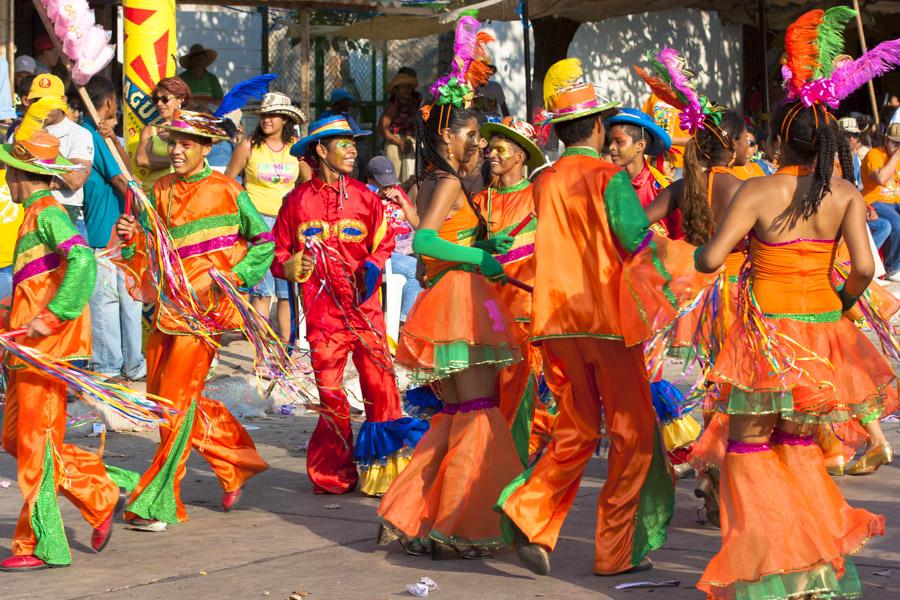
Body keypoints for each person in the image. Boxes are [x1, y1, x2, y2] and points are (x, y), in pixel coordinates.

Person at [497, 57, 706, 577]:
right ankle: (615, 551)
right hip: (608, 325)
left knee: (577, 428)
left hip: (559, 323)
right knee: (633, 434)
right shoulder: (608, 177)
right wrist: (688, 259)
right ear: (595, 126)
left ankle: (528, 511)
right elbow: (636, 241)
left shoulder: (543, 182)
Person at [693, 98, 889, 600]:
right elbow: (865, 268)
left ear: (780, 142)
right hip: (821, 335)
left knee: (748, 451)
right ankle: (811, 572)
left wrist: (703, 246)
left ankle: (770, 571)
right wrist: (841, 306)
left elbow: (712, 258)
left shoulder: (759, 190)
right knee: (798, 450)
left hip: (767, 338)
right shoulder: (844, 192)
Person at [378, 18, 523, 558]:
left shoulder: (448, 183)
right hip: (462, 311)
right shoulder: (446, 182)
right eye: (471, 134)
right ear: (445, 136)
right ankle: (459, 524)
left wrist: (492, 243)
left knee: (459, 415)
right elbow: (424, 245)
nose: (479, 143)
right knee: (480, 412)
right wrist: (481, 256)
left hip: (457, 307)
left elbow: (434, 254)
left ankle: (409, 515)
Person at [114, 110, 272, 531]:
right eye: (174, 142)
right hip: (166, 311)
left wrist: (233, 278)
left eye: (187, 143)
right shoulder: (159, 188)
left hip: (205, 316)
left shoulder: (228, 189)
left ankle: (160, 501)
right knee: (165, 399)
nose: (177, 150)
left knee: (175, 405)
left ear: (206, 149)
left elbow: (264, 243)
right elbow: (149, 251)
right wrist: (131, 239)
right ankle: (236, 460)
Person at [271, 115, 426, 496]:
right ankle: (334, 472)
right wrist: (289, 266)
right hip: (324, 317)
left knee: (380, 387)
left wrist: (374, 263)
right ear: (321, 150)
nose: (353, 148)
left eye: (353, 141)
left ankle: (384, 472)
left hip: (366, 312)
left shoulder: (365, 196)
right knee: (330, 393)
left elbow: (386, 240)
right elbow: (276, 252)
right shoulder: (295, 203)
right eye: (343, 141)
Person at [0, 103, 121, 571]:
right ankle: (99, 489)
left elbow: (84, 262)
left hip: (45, 352)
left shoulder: (48, 212)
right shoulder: (33, 215)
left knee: (33, 446)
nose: (6, 179)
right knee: (17, 439)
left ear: (23, 174)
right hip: (25, 352)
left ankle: (38, 544)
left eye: (10, 171)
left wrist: (50, 319)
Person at [604, 107, 700, 474]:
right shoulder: (605, 185)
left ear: (640, 145)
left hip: (652, 298)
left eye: (619, 142)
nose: (612, 149)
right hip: (610, 293)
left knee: (648, 370)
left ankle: (676, 447)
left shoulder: (661, 187)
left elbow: (681, 239)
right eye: (610, 142)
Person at [471, 116, 552, 463]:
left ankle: (518, 450)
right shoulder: (477, 200)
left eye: (500, 148)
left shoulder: (538, 197)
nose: (490, 154)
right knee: (489, 384)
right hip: (486, 307)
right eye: (490, 148)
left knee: (519, 382)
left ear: (520, 156)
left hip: (526, 306)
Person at [226, 92, 309, 341]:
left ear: (285, 119)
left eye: (272, 115)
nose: (266, 119)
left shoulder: (296, 147)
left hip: (287, 226)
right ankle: (261, 356)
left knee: (286, 292)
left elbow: (309, 183)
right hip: (258, 225)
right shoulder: (249, 145)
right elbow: (228, 182)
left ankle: (286, 351)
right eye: (264, 115)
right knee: (261, 291)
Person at [81, 76, 146, 383]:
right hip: (105, 228)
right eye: (115, 103)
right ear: (106, 101)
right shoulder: (90, 134)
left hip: (116, 227)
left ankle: (126, 364)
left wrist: (143, 214)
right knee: (111, 299)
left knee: (121, 297)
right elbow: (123, 181)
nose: (117, 108)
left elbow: (126, 178)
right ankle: (113, 366)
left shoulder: (103, 137)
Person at [22, 75, 93, 238]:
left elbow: (76, 179)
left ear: (62, 100)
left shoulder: (79, 134)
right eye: (37, 101)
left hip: (66, 218)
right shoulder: (21, 134)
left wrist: (48, 147)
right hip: (29, 220)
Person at [365, 155, 422, 325]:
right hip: (384, 253)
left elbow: (418, 224)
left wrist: (403, 202)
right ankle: (404, 326)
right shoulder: (364, 195)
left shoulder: (397, 192)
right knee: (415, 270)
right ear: (371, 179)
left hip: (407, 249)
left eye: (390, 182)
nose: (387, 188)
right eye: (383, 183)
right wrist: (377, 199)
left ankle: (417, 324)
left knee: (430, 265)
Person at [840, 116, 890, 252]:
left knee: (884, 226)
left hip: (856, 209)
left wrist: (868, 208)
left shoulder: (856, 159)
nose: (851, 139)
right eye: (847, 135)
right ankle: (856, 257)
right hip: (840, 213)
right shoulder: (831, 160)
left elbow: (860, 190)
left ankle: (861, 256)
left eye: (854, 135)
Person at [135, 77, 191, 192]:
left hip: (184, 193)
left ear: (181, 99)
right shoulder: (151, 130)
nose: (159, 104)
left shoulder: (192, 127)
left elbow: (213, 140)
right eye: (156, 99)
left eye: (165, 99)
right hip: (154, 193)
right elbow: (141, 159)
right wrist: (178, 161)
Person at [862, 123, 900, 280]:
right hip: (875, 200)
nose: (898, 147)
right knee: (896, 223)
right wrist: (897, 156)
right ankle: (892, 268)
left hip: (896, 201)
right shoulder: (874, 154)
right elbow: (881, 178)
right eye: (895, 143)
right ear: (886, 140)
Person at [378, 69, 420, 183]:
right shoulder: (393, 106)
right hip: (395, 144)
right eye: (403, 87)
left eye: (409, 87)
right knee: (394, 179)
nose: (407, 90)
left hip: (411, 142)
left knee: (411, 178)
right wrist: (399, 142)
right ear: (396, 90)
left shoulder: (414, 103)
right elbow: (382, 128)